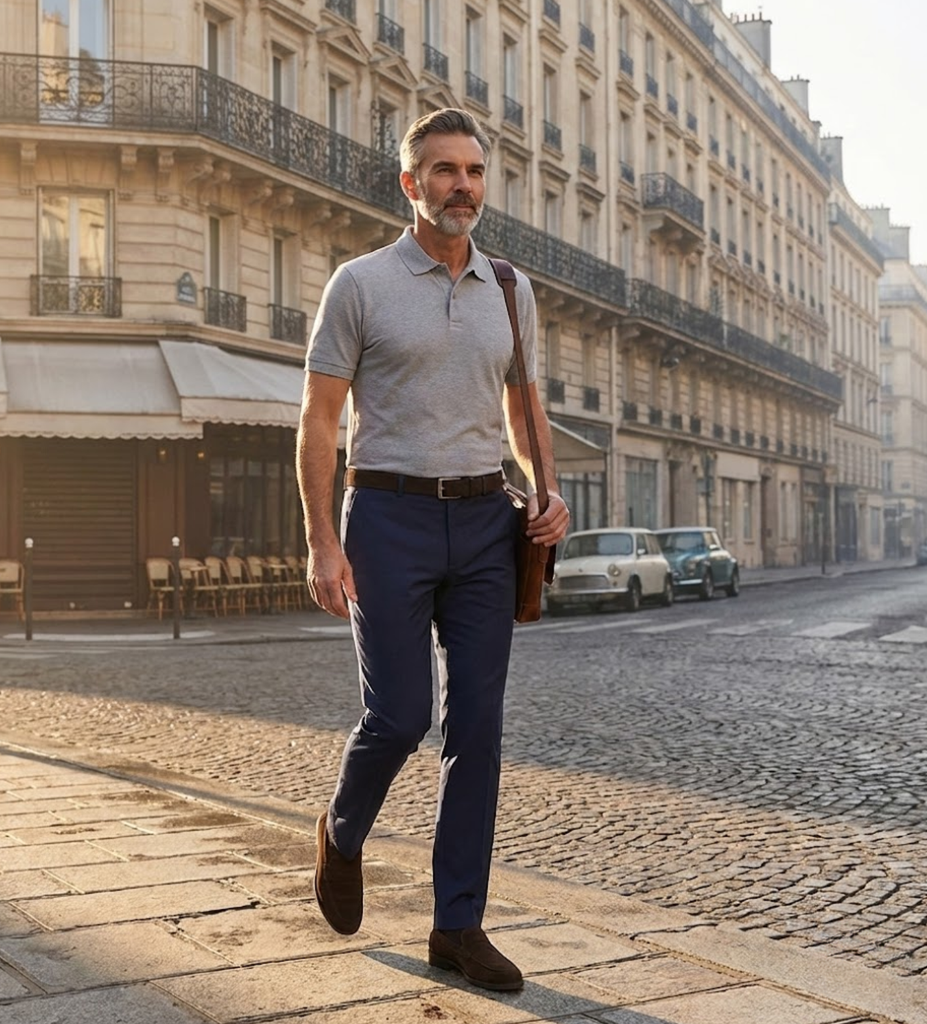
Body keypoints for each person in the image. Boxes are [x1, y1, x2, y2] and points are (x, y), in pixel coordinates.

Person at [296, 107, 569, 992]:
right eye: (445, 171)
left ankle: (458, 925)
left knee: (477, 728)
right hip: (387, 517)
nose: (463, 186)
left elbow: (524, 407)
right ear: (411, 184)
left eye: (475, 171)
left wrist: (547, 489)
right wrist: (322, 541)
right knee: (400, 715)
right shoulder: (361, 284)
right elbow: (320, 420)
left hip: (488, 522)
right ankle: (342, 832)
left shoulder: (510, 288)